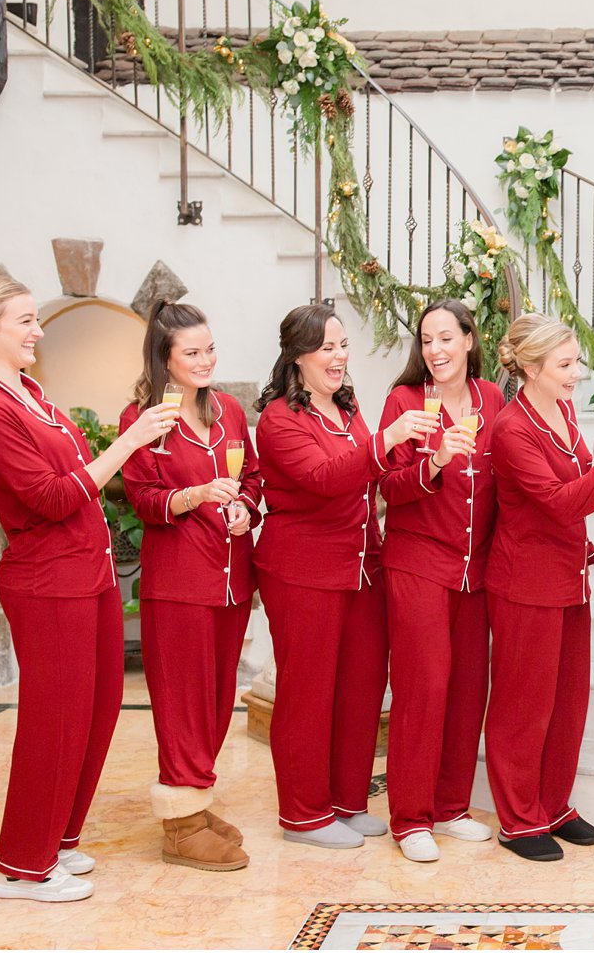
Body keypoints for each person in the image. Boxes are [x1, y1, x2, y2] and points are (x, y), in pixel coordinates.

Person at [0, 272, 177, 901]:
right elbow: (50, 497)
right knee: (55, 721)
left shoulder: (30, 392)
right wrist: (129, 443)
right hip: (48, 584)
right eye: (25, 321)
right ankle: (21, 866)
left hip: (87, 572)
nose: (38, 330)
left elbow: (71, 475)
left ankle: (59, 840)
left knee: (95, 714)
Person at [253, 303, 437, 850]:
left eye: (342, 346)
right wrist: (384, 440)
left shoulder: (346, 406)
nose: (339, 357)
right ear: (298, 356)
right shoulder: (278, 419)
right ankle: (304, 815)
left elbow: (370, 475)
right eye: (326, 348)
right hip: (303, 571)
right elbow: (324, 478)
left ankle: (346, 802)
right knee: (307, 693)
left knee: (359, 689)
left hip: (362, 565)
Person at [484, 313, 594, 862]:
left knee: (567, 701)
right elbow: (556, 501)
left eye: (575, 361)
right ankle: (517, 818)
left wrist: (589, 551)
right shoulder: (510, 429)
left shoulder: (560, 411)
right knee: (523, 706)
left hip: (566, 577)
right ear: (530, 368)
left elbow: (565, 496)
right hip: (524, 585)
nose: (577, 373)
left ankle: (553, 804)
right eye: (565, 364)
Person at [119, 301, 261, 871]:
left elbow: (250, 476)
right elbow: (143, 499)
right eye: (192, 353)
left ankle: (195, 806)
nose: (205, 361)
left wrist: (245, 509)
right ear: (165, 360)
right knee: (182, 705)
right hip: (179, 584)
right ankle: (179, 827)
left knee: (217, 702)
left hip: (231, 581)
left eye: (210, 349)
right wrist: (196, 496)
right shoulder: (144, 417)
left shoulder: (228, 409)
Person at [377, 301, 503, 863]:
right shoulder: (404, 402)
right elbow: (388, 485)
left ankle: (452, 806)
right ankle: (410, 818)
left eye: (447, 338)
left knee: (467, 688)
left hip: (475, 571)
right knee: (423, 687)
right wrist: (433, 464)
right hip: (417, 563)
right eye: (427, 340)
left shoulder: (493, 400)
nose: (436, 350)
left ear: (470, 341)